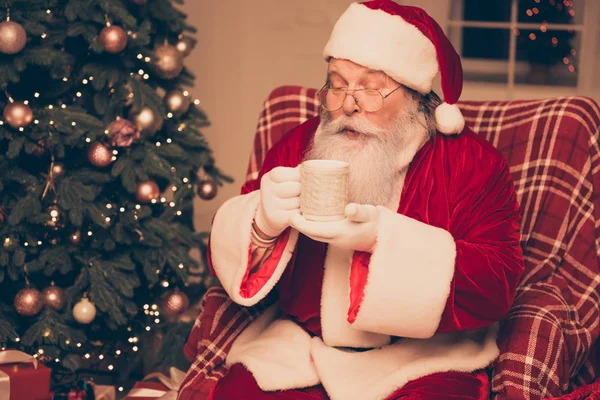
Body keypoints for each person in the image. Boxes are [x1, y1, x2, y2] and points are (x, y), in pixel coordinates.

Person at [205, 1, 525, 399]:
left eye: (371, 89)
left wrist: (384, 242)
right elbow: (232, 265)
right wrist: (260, 225)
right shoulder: (297, 146)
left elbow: (497, 283)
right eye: (337, 85)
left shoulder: (472, 164)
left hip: (422, 358)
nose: (348, 104)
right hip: (301, 348)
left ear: (415, 96)